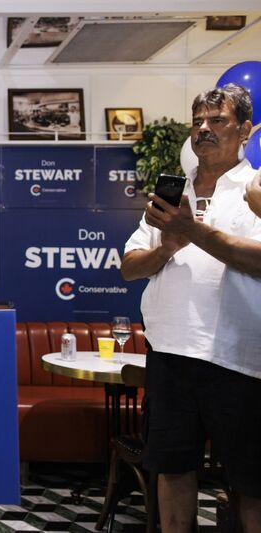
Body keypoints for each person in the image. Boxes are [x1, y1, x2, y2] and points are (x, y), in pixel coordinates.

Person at [121, 83, 261, 533]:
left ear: (245, 129)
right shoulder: (171, 191)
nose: (203, 128)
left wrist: (192, 231)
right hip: (170, 354)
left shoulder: (255, 188)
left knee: (250, 481)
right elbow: (129, 267)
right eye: (197, 120)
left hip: (238, 359)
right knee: (171, 466)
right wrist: (168, 245)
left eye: (216, 120)